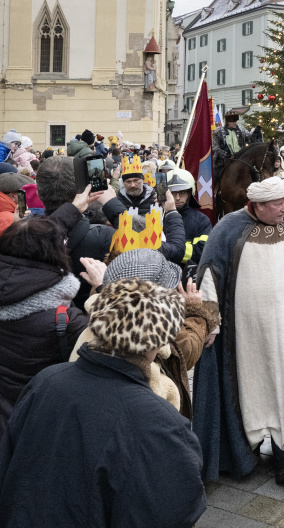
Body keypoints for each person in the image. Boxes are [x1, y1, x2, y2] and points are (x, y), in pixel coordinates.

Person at [0, 278, 206, 527]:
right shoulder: (161, 421)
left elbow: (9, 460)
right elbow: (176, 508)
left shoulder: (46, 380)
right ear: (157, 341)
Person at [192, 176, 284, 484]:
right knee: (251, 386)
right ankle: (245, 450)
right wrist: (209, 320)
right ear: (256, 205)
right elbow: (210, 276)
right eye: (276, 204)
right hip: (246, 335)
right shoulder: (227, 229)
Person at [70, 249, 218, 420]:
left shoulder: (99, 319)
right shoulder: (150, 342)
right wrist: (195, 313)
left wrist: (103, 287)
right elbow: (186, 351)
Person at [0, 218, 88, 434]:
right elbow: (117, 344)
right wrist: (104, 287)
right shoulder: (65, 321)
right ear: (56, 253)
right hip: (44, 426)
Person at [34, 158, 115, 309]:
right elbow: (143, 250)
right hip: (90, 318)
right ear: (82, 191)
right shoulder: (105, 236)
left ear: (38, 193)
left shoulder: (20, 235)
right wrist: (112, 203)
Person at [212, 111, 250, 182]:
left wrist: (255, 132)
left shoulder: (242, 130)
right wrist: (223, 153)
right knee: (215, 177)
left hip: (240, 159)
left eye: (236, 121)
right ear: (228, 122)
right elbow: (214, 146)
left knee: (253, 174)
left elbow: (250, 137)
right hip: (223, 161)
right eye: (233, 122)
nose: (235, 123)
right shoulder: (218, 131)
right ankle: (214, 191)